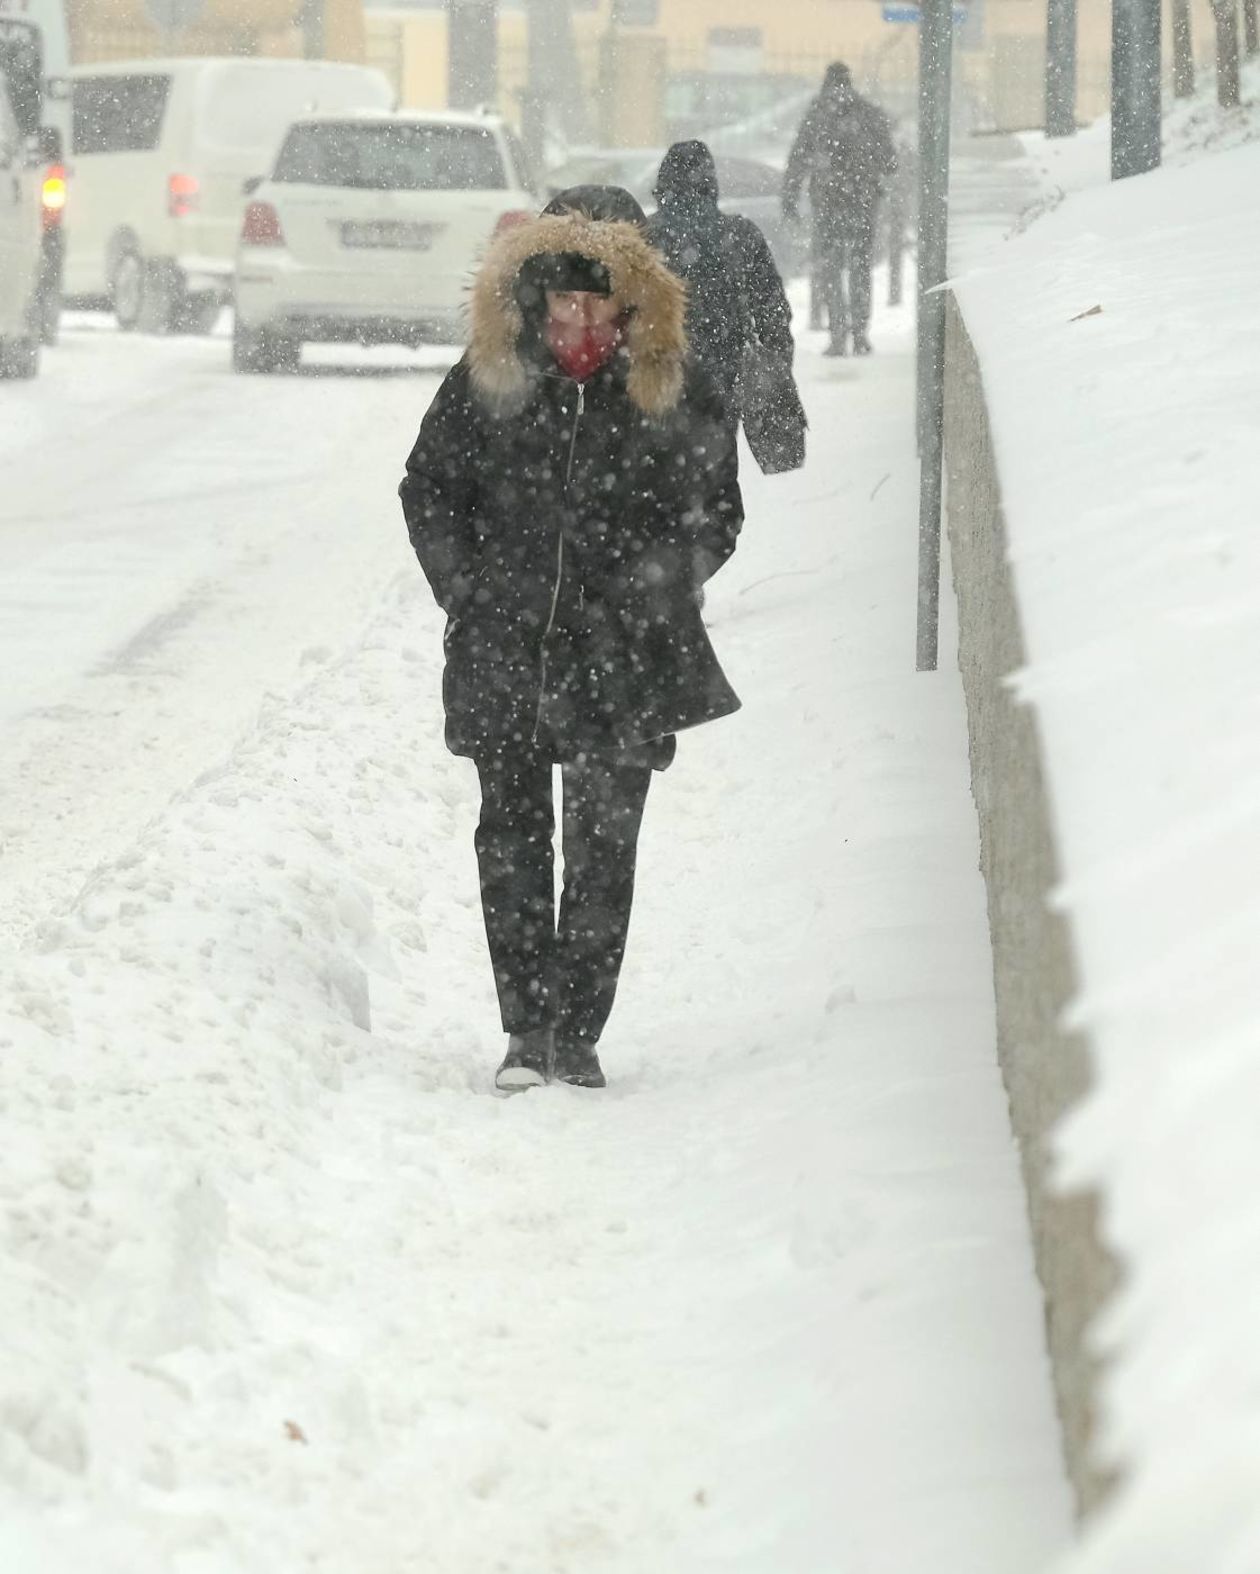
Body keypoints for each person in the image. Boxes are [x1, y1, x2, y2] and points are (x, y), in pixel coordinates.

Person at [399, 185, 743, 1094]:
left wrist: (652, 589)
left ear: (632, 302)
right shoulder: (488, 377)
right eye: (563, 300)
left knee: (603, 848)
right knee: (510, 840)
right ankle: (525, 1032)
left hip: (623, 659)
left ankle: (577, 1034)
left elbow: (716, 513)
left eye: (597, 301)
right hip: (504, 652)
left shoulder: (675, 388)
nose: (578, 319)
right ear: (534, 294)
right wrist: (469, 593)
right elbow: (427, 488)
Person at [646, 139, 806, 475]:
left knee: (660, 479)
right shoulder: (740, 235)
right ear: (711, 184)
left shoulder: (645, 238)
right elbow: (773, 312)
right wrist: (774, 369)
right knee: (715, 478)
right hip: (724, 380)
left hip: (659, 381)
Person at [783, 62, 897, 357]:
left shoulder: (817, 114)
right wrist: (866, 173)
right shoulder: (869, 113)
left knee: (830, 270)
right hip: (863, 202)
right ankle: (860, 334)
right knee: (860, 268)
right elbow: (890, 161)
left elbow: (798, 159)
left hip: (827, 204)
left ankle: (837, 335)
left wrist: (791, 197)